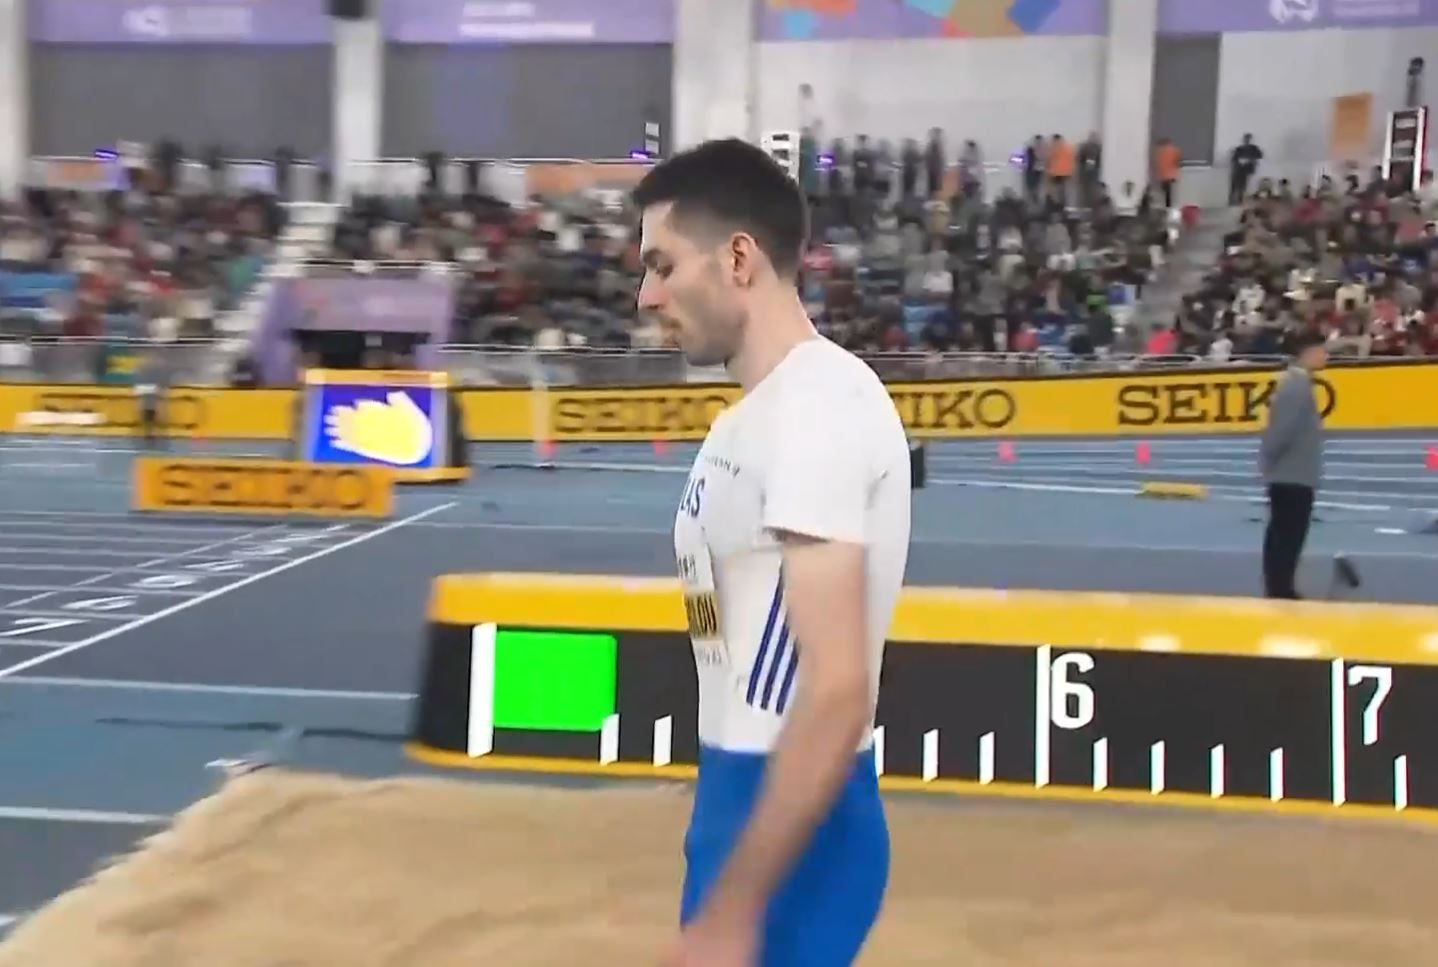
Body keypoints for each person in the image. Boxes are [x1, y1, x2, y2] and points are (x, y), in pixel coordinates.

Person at [633, 139, 912, 966]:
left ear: (738, 258)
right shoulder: (746, 419)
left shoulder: (820, 407)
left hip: (796, 838)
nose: (647, 295)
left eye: (662, 265)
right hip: (737, 799)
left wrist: (735, 907)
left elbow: (836, 693)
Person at [1259, 329, 1327, 599]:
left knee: (1284, 533)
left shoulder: (1297, 383)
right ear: (1307, 353)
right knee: (1288, 535)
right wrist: (1270, 463)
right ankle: (1280, 588)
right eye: (1321, 350)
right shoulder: (1296, 386)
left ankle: (1279, 585)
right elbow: (1281, 431)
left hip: (1291, 472)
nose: (1326, 355)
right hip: (1292, 474)